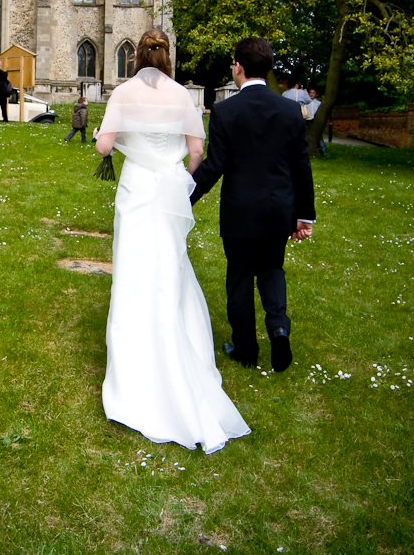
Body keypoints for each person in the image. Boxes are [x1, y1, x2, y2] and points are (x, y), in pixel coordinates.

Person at [96, 28, 250, 453]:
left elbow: (104, 147)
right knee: (169, 267)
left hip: (137, 190)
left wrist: (115, 142)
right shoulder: (183, 96)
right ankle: (176, 348)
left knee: (132, 271)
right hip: (168, 190)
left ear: (137, 57)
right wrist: (175, 169)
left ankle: (134, 370)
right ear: (167, 57)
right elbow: (196, 153)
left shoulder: (124, 93)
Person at [191, 37, 315, 374]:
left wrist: (184, 196)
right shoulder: (290, 110)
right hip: (279, 210)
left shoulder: (225, 110)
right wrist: (305, 216)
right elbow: (301, 166)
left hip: (240, 211)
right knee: (273, 269)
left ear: (239, 68)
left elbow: (214, 166)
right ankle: (278, 328)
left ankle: (245, 349)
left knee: (241, 277)